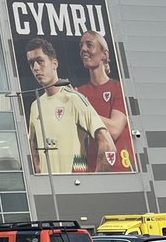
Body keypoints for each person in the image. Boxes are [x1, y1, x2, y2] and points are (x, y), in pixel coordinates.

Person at [25, 38, 116, 174]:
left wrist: (95, 181)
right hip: (48, 190)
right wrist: (39, 172)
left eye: (40, 61)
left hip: (74, 188)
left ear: (54, 63)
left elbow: (107, 144)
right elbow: (33, 144)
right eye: (32, 63)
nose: (36, 68)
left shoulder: (73, 99)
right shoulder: (35, 105)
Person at [76, 31, 135, 172]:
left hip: (121, 169)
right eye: (81, 46)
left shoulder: (119, 88)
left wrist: (83, 110)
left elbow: (114, 129)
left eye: (89, 45)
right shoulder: (79, 92)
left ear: (105, 54)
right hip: (93, 170)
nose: (83, 49)